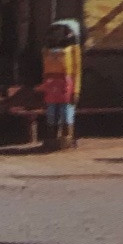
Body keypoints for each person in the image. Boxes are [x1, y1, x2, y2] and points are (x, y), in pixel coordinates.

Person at [40, 20, 83, 149]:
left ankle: (66, 138)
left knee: (66, 111)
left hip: (66, 84)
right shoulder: (46, 49)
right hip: (51, 84)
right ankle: (51, 137)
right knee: (51, 112)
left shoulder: (73, 49)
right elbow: (45, 68)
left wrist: (76, 90)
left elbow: (77, 70)